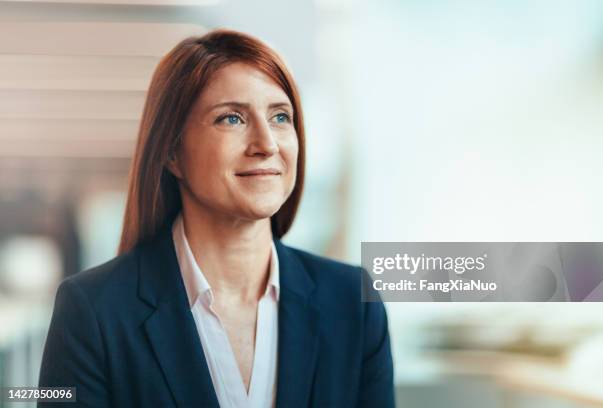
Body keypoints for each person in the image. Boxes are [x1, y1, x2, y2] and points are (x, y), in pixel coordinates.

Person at [38, 28, 394, 408]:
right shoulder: (92, 311)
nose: (267, 144)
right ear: (172, 152)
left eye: (279, 116)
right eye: (231, 119)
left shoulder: (352, 303)